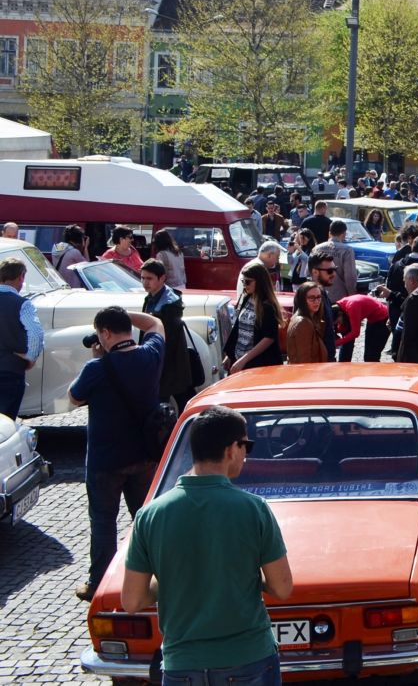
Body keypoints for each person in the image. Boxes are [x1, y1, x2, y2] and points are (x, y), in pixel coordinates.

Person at [122, 405, 294, 684]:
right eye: (245, 446)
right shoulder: (253, 509)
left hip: (182, 663)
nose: (246, 455)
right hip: (247, 659)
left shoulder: (150, 515)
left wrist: (174, 578)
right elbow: (282, 587)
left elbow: (132, 600)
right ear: (230, 450)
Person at [68, 305, 168, 600]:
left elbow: (74, 398)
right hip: (144, 455)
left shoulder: (96, 368)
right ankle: (161, 572)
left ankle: (99, 582)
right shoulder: (151, 355)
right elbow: (155, 324)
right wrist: (125, 314)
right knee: (145, 518)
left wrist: (98, 358)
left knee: (103, 520)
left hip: (105, 460)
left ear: (106, 333)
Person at [0, 256, 44, 418]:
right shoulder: (22, 304)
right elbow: (36, 333)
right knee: (5, 424)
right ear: (20, 277)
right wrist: (30, 357)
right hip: (10, 371)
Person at [222, 263, 284, 372]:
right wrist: (230, 355)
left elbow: (269, 338)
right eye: (243, 281)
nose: (245, 285)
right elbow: (238, 328)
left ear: (259, 282)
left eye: (248, 282)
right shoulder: (247, 299)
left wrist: (244, 360)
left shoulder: (267, 306)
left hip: (259, 363)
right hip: (240, 359)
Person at [282, 282, 331, 365]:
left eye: (319, 297)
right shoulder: (303, 323)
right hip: (307, 375)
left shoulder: (310, 318)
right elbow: (304, 362)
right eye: (311, 298)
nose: (316, 301)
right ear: (302, 300)